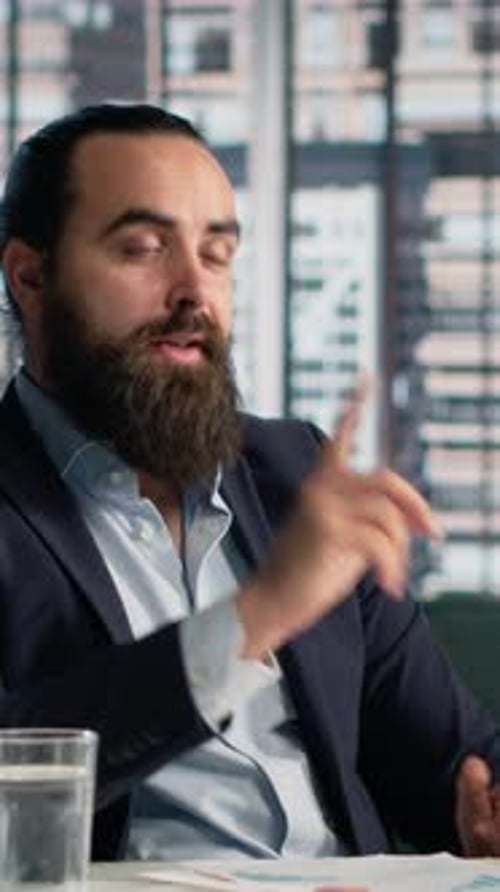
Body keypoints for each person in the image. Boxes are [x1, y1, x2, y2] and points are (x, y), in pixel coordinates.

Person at [0, 102, 499, 864]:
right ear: (31, 276)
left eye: (217, 254)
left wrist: (482, 809)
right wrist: (252, 621)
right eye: (143, 249)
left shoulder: (295, 474)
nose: (193, 292)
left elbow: (449, 762)